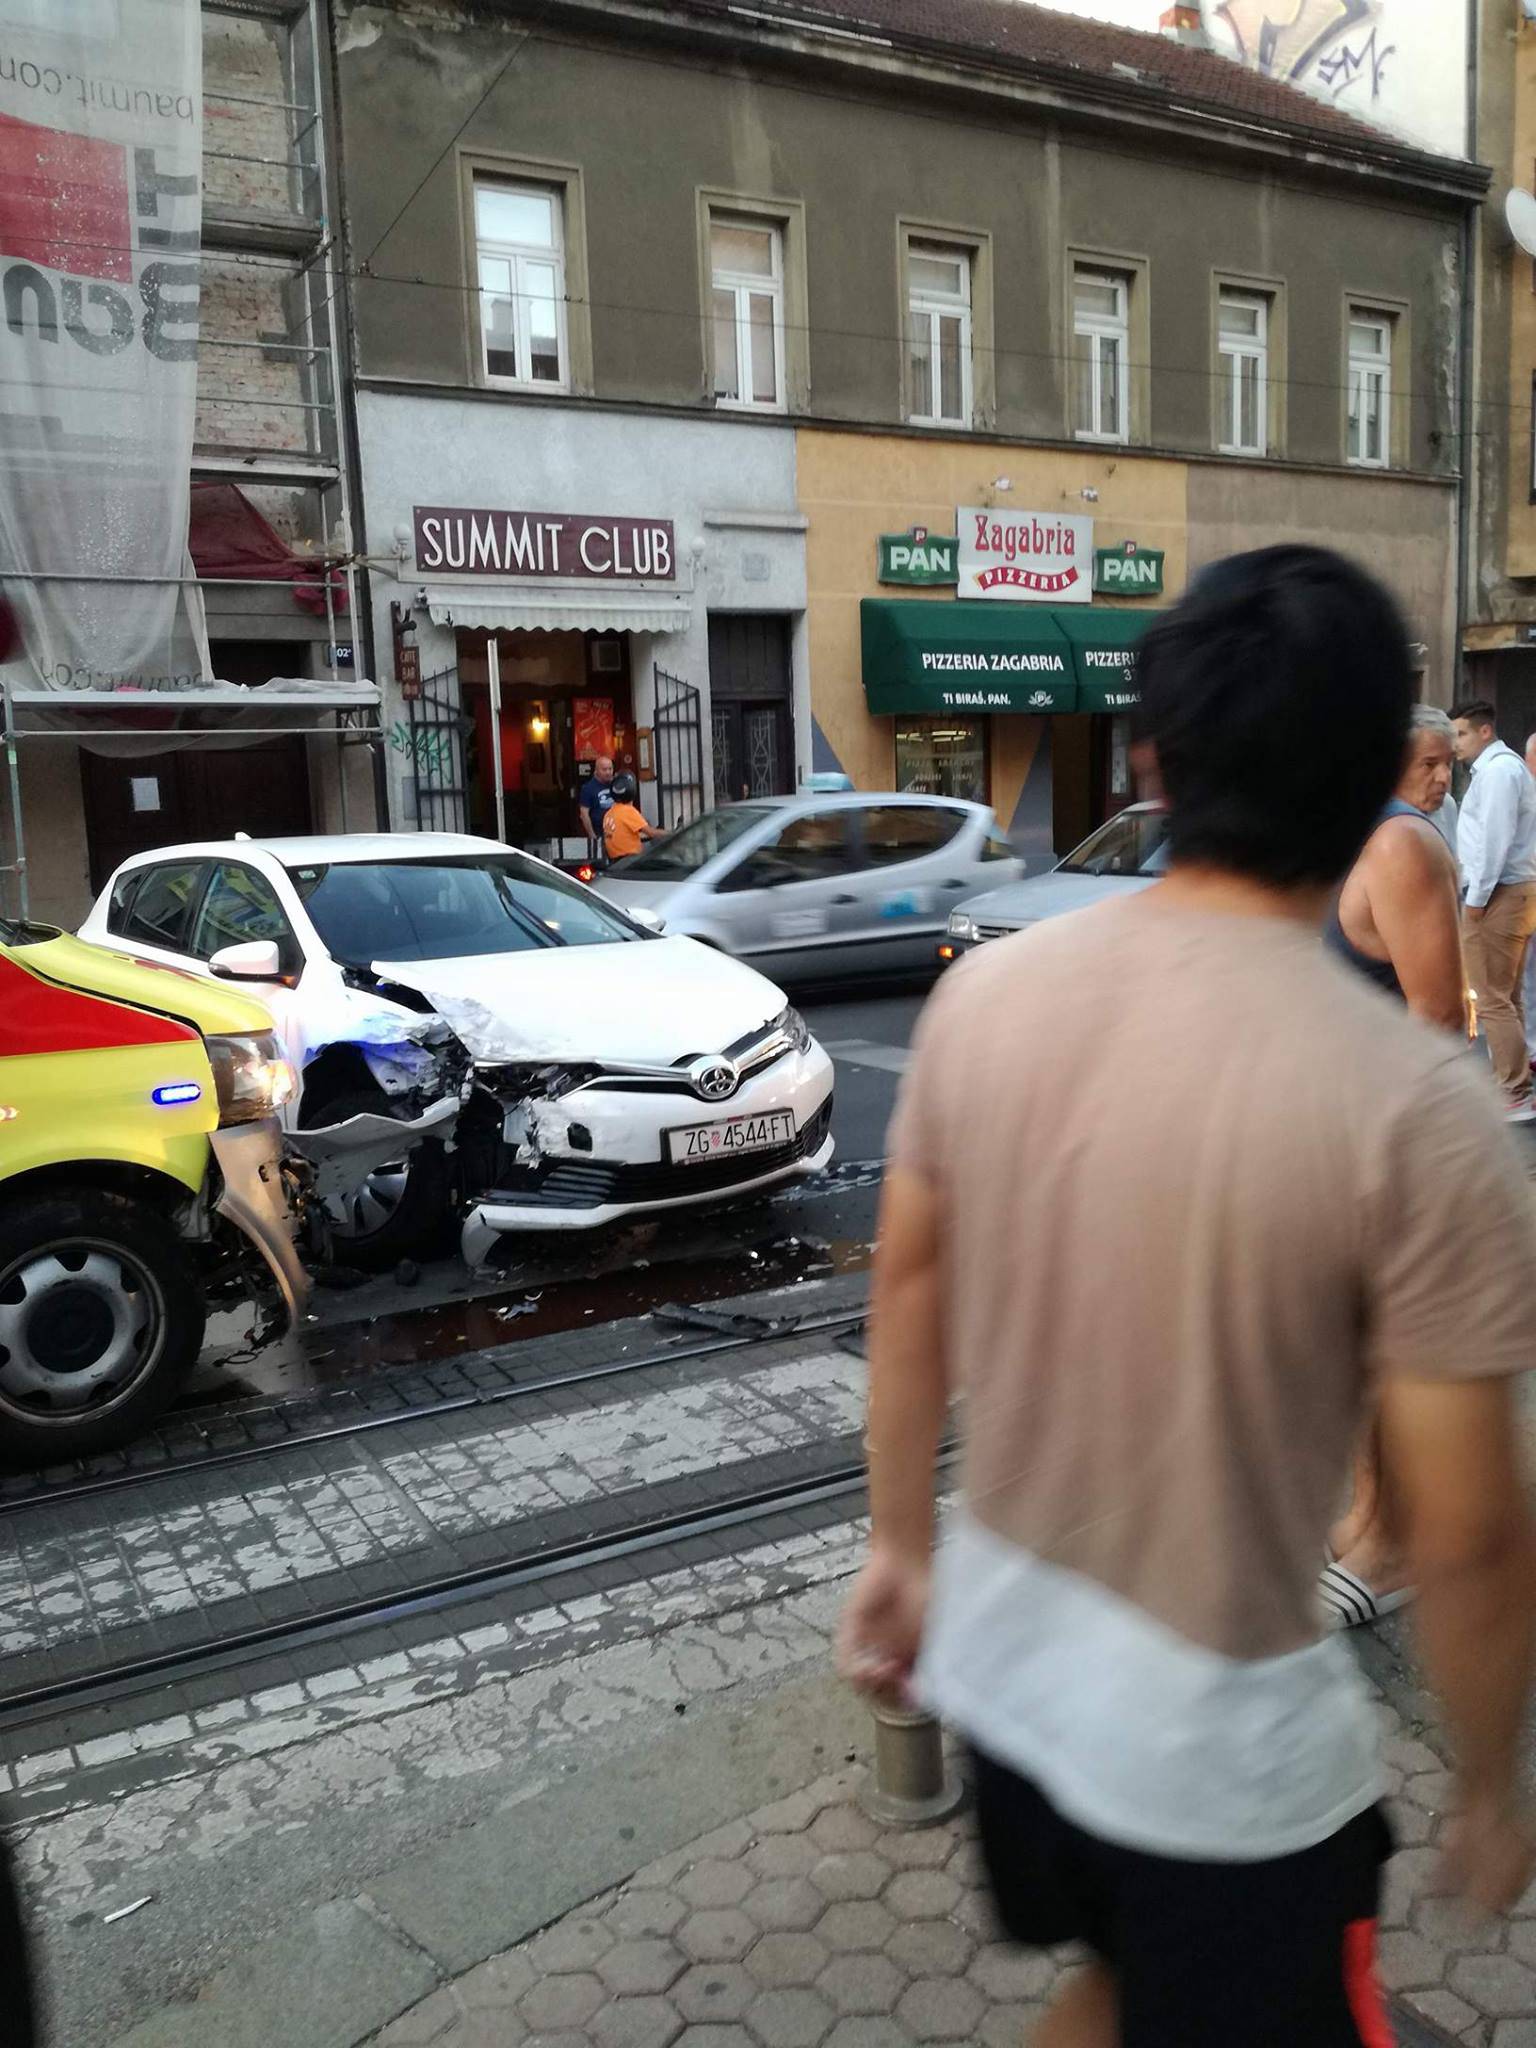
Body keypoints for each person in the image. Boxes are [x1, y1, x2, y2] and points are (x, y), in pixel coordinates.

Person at [840, 546, 1536, 2048]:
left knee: (1122, 1988)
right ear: (1386, 785)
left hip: (1009, 1686)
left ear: (1154, 760)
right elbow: (1472, 1530)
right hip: (1230, 1767)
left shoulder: (990, 997)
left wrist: (899, 1550)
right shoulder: (1419, 1112)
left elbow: (908, 1287)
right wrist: (1490, 1785)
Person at [1318, 701, 1466, 1632]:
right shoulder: (1347, 834)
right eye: (1429, 764)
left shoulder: (1402, 848)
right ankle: (1373, 1516)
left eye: (1450, 765)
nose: (1443, 780)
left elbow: (1438, 1015)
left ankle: (1397, 1539)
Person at [1450, 699, 1536, 1119]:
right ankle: (1517, 1077)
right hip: (1511, 890)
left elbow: (1493, 843)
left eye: (1461, 733)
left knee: (1492, 998)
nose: (1456, 744)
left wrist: (1476, 902)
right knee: (1507, 996)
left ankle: (1514, 1089)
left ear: (1485, 732)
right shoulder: (1497, 769)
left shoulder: (1500, 771)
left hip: (1501, 891)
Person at [601, 771, 655, 860]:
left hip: (615, 861)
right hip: (630, 861)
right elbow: (652, 833)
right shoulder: (628, 811)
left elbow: (623, 834)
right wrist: (673, 834)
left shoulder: (609, 813)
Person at [579, 755, 616, 863]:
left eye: (610, 769)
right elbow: (584, 814)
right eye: (604, 769)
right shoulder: (588, 788)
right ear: (596, 770)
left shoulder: (616, 784)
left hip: (617, 832)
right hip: (599, 832)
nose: (608, 772)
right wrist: (592, 836)